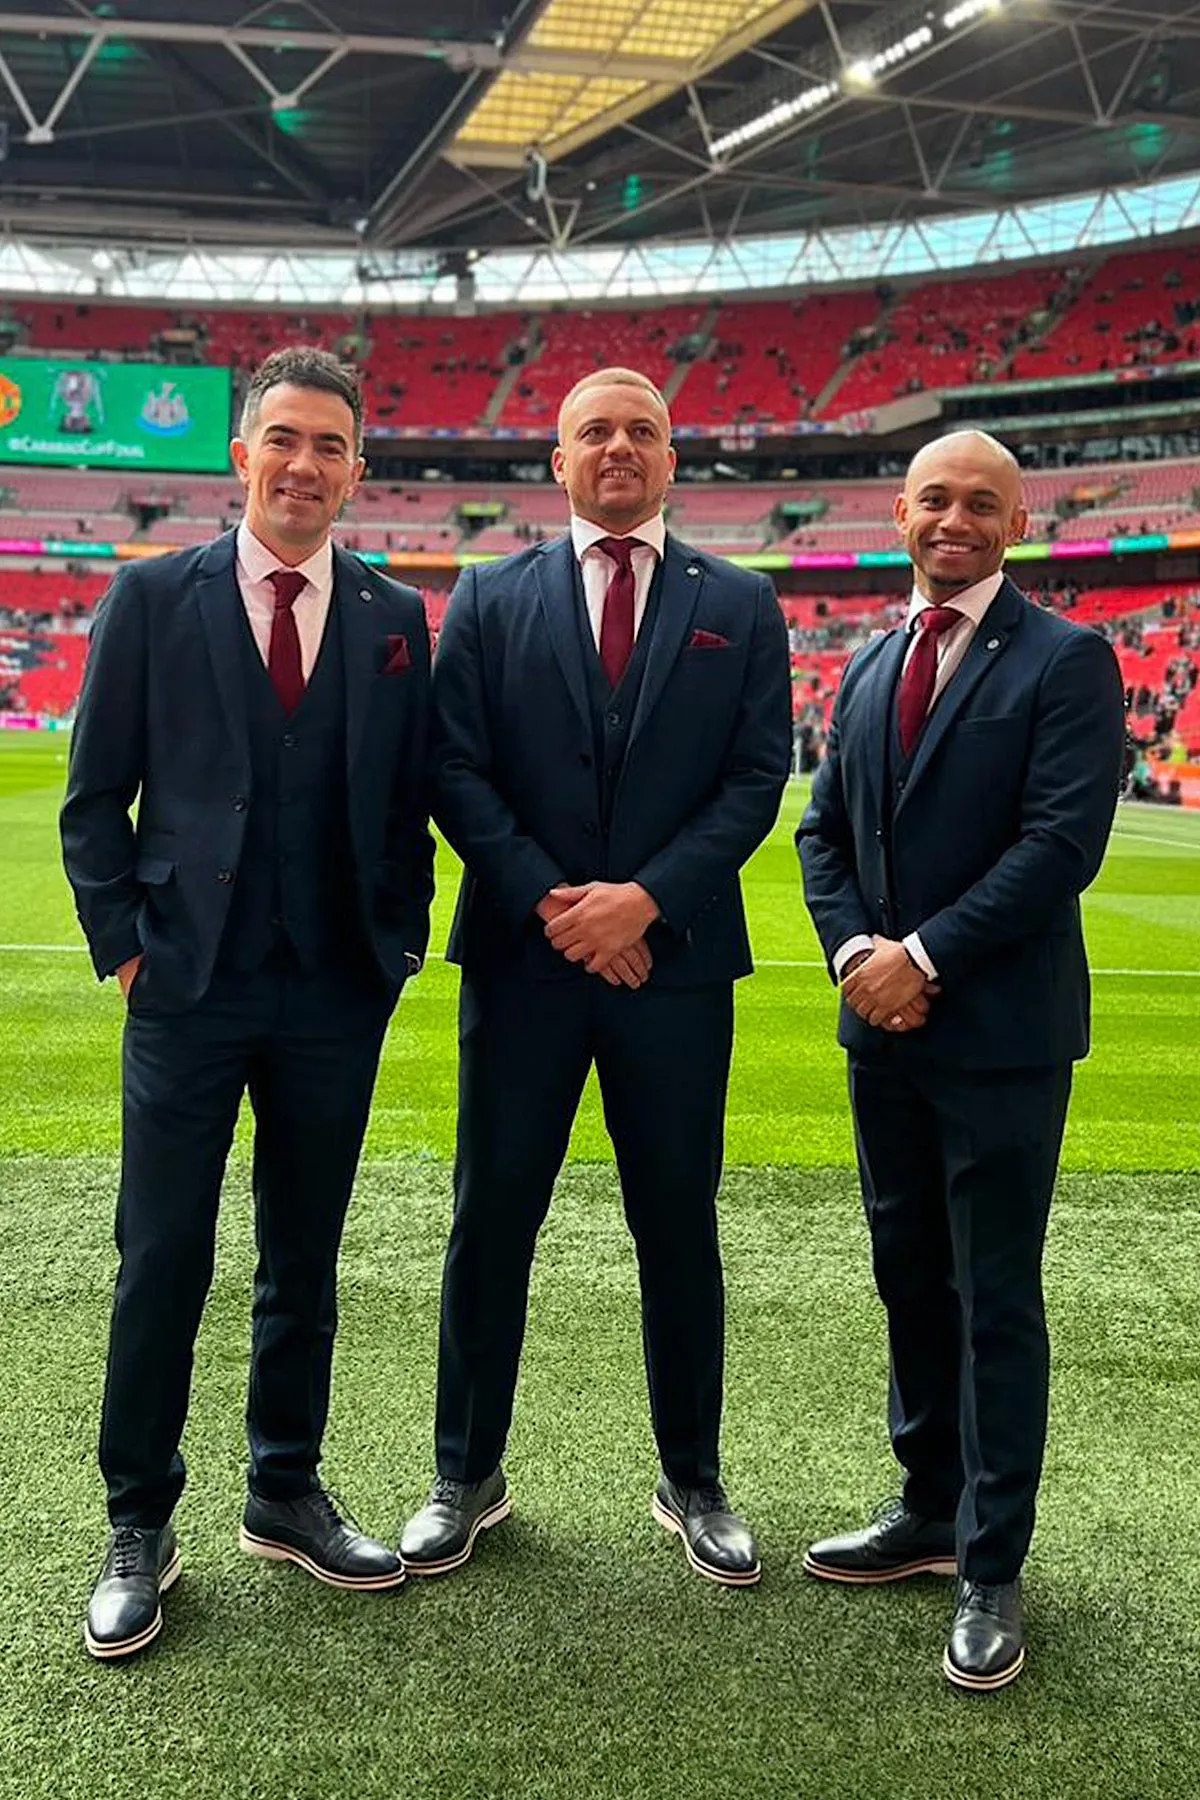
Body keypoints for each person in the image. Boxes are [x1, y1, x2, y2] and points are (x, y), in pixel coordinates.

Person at [61, 347, 434, 1660]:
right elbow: (92, 798)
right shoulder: (152, 598)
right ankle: (137, 1519)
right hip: (189, 985)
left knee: (304, 1258)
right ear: (241, 455)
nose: (304, 466)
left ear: (356, 469)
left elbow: (404, 808)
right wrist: (126, 950)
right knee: (162, 1254)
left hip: (334, 989)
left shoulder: (394, 618)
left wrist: (397, 947)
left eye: (330, 445)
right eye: (284, 439)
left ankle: (283, 1487)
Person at [400, 366, 791, 1587]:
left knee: (678, 1226)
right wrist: (557, 902)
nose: (618, 449)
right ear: (556, 462)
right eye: (594, 433)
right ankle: (466, 1474)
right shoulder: (491, 593)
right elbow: (455, 769)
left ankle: (694, 1477)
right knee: (491, 1219)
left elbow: (754, 779)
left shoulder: (744, 599)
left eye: (642, 431)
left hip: (673, 969)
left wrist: (647, 900)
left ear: (674, 459)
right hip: (526, 962)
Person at [797, 429, 1125, 1691]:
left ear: (1017, 520)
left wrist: (920, 959)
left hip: (995, 1040)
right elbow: (822, 830)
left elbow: (1059, 848)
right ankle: (928, 1509)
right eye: (936, 498)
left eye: (981, 503)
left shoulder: (1067, 660)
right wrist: (851, 958)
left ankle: (993, 1562)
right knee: (909, 1280)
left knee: (993, 1299)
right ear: (900, 510)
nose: (956, 520)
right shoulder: (876, 658)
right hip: (880, 1035)